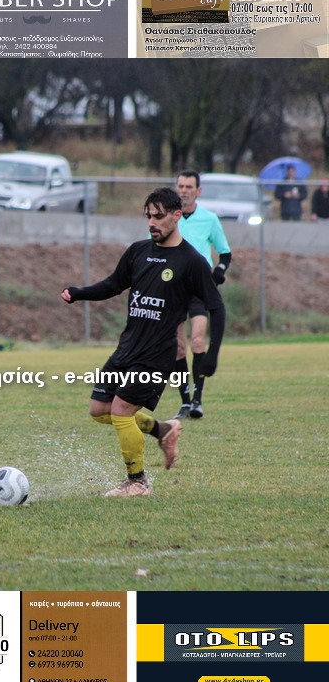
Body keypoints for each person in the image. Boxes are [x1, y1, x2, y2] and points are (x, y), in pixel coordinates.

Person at [60, 187, 225, 497]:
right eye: (148, 216)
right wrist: (80, 293)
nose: (152, 222)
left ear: (177, 216)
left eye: (159, 216)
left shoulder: (191, 261)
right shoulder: (137, 251)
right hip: (127, 347)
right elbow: (113, 284)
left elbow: (216, 307)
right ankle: (163, 429)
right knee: (99, 409)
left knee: (121, 410)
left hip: (157, 355)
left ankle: (137, 482)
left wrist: (211, 354)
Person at [171, 170, 231, 420]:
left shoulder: (209, 219)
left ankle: (197, 400)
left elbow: (225, 253)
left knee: (197, 341)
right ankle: (184, 401)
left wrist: (218, 272)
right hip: (173, 288)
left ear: (198, 191)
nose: (184, 191)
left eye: (189, 187)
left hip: (198, 288)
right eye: (181, 186)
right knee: (178, 348)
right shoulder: (168, 217)